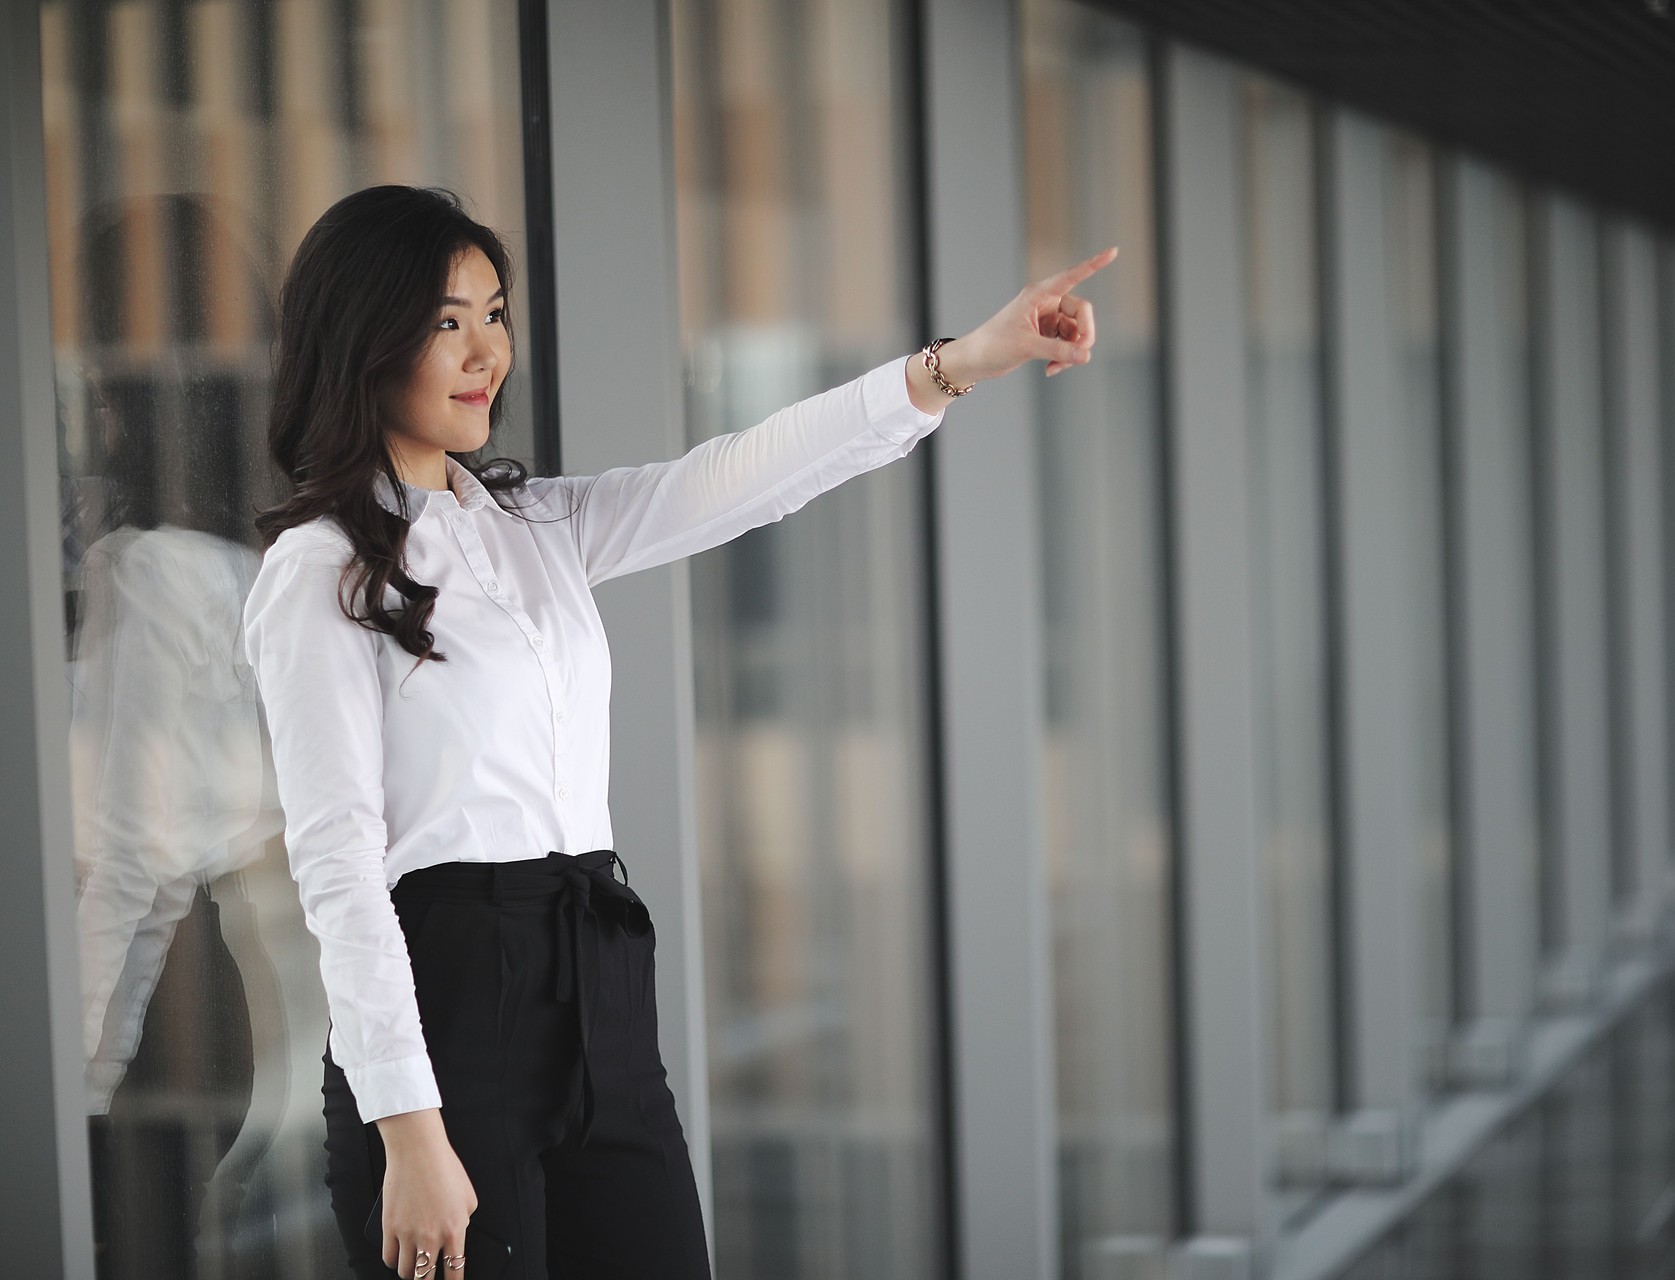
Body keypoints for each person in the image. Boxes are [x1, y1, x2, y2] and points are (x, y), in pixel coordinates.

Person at [240, 184, 1114, 1280]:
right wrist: (410, 1129)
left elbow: (741, 476)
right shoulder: (317, 570)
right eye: (444, 320)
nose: (483, 351)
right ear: (364, 339)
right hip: (449, 1007)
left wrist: (960, 362)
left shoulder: (532, 526)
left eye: (494, 313)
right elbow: (337, 867)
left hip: (598, 981)